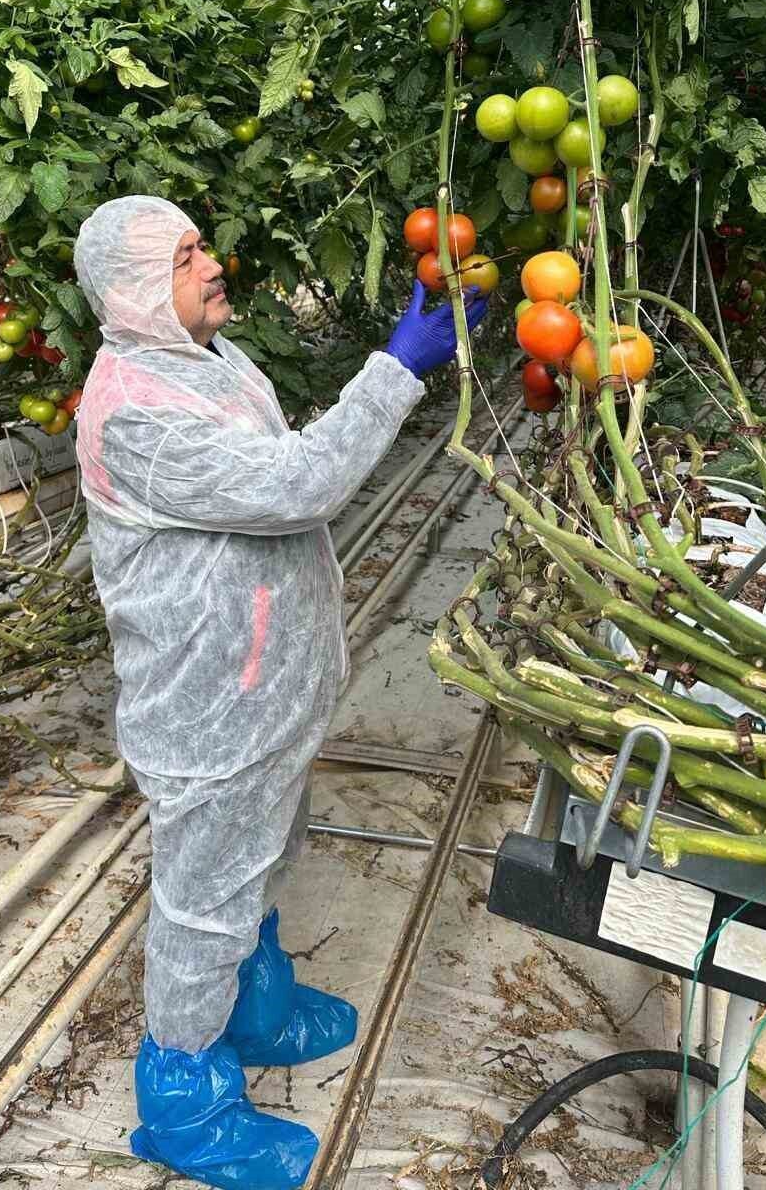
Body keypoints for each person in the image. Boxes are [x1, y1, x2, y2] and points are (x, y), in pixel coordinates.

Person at [73, 195, 488, 1190]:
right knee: (204, 898)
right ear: (136, 293)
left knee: (260, 854)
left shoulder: (206, 357)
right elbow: (297, 484)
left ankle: (255, 1009)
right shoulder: (137, 413)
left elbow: (271, 466)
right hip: (210, 703)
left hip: (260, 686)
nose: (212, 263)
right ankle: (187, 1103)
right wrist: (397, 368)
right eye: (184, 258)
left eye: (201, 244)